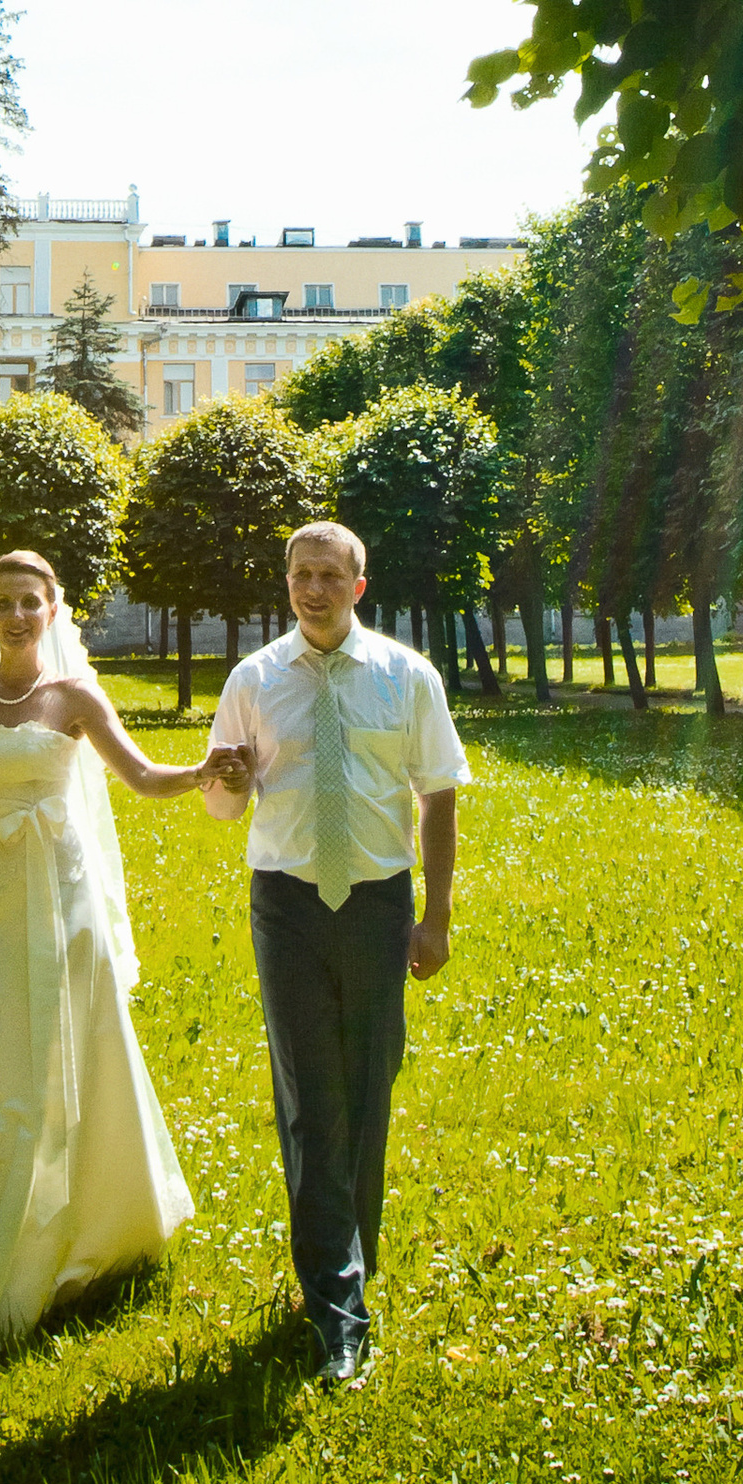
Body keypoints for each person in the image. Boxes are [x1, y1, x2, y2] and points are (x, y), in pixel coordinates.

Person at [0, 548, 220, 1377]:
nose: (17, 615)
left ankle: (72, 1226)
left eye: (30, 602)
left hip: (57, 896)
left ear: (53, 608)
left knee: (59, 1057)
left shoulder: (74, 697)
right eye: (3, 602)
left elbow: (141, 777)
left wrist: (205, 770)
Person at [202, 520, 468, 1386]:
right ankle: (337, 1306)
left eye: (328, 575)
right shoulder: (253, 680)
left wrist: (436, 917)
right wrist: (228, 785)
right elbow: (221, 810)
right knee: (312, 1097)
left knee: (367, 1085)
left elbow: (437, 798)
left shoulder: (406, 677)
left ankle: (354, 1253)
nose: (311, 589)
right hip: (287, 905)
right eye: (298, 575)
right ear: (286, 584)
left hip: (377, 906)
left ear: (358, 586)